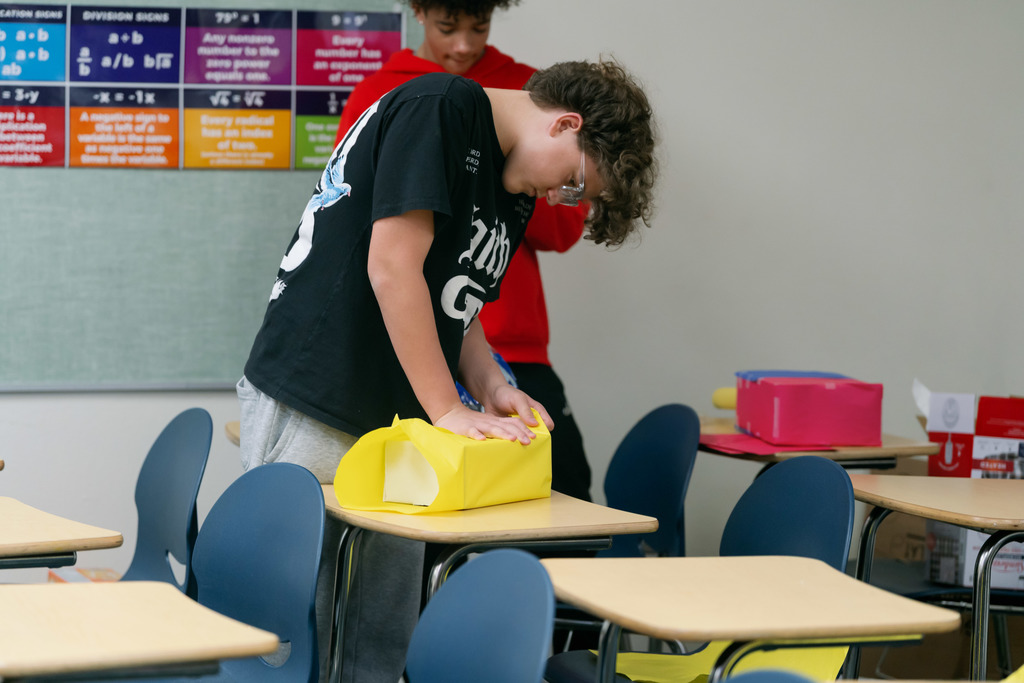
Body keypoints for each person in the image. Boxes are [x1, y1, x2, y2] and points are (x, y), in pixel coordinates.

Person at [238, 58, 656, 683]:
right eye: (573, 181)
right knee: (293, 635)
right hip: (320, 390)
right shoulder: (442, 108)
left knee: (378, 639)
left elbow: (457, 303)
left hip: (396, 417)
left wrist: (491, 386)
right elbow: (392, 267)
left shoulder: (512, 185)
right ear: (566, 124)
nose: (558, 197)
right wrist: (447, 408)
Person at [336, 0, 593, 502]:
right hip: (412, 342)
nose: (463, 45)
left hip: (509, 338)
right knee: (427, 497)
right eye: (447, 26)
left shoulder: (529, 92)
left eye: (479, 27)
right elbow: (357, 224)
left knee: (561, 487)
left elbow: (562, 232)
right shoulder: (382, 91)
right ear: (418, 13)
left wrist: (516, 174)